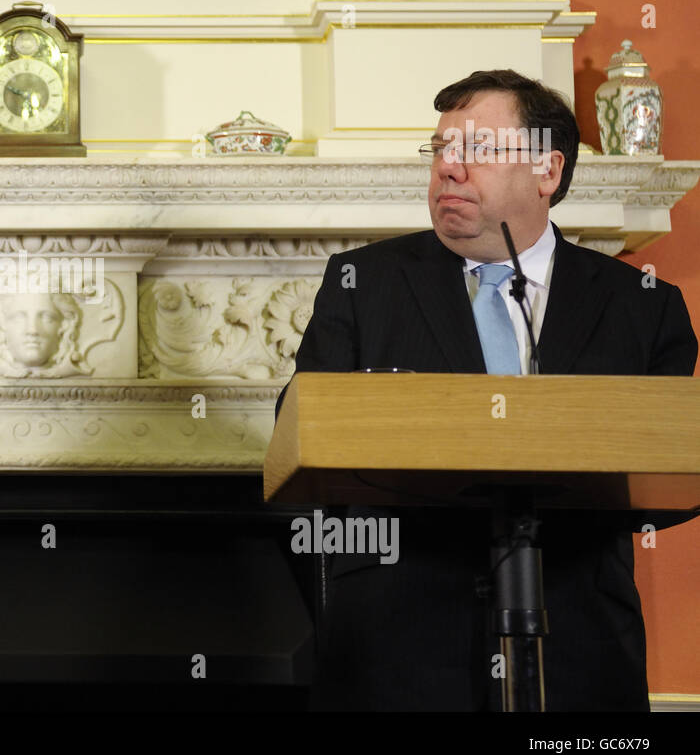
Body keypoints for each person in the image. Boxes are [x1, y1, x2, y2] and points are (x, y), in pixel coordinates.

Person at [280, 69, 697, 710]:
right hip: (398, 655)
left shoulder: (643, 307)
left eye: (476, 149)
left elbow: (667, 471)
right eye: (441, 149)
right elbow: (296, 430)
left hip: (578, 654)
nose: (449, 168)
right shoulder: (364, 282)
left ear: (547, 171)